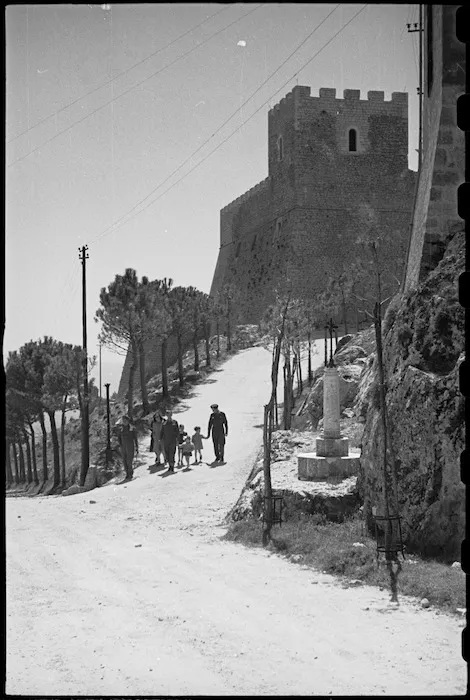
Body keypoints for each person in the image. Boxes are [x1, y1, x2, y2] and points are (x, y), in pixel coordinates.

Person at [117, 415, 138, 480]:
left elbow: (135, 438)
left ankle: (130, 473)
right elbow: (119, 438)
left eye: (125, 420)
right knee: (125, 461)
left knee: (129, 461)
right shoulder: (121, 429)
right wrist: (120, 446)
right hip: (123, 448)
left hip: (130, 447)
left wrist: (137, 447)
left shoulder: (132, 428)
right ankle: (127, 474)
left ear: (128, 421)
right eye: (123, 421)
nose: (124, 422)